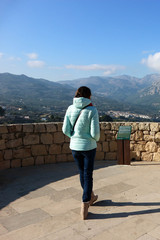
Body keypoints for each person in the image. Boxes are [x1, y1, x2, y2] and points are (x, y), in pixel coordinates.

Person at [62, 86, 100, 220]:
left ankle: (91, 196)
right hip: (88, 147)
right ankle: (85, 205)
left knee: (82, 173)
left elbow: (65, 129)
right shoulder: (92, 110)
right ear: (89, 96)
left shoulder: (70, 108)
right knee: (88, 174)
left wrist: (74, 136)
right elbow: (95, 133)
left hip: (74, 147)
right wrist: (94, 139)